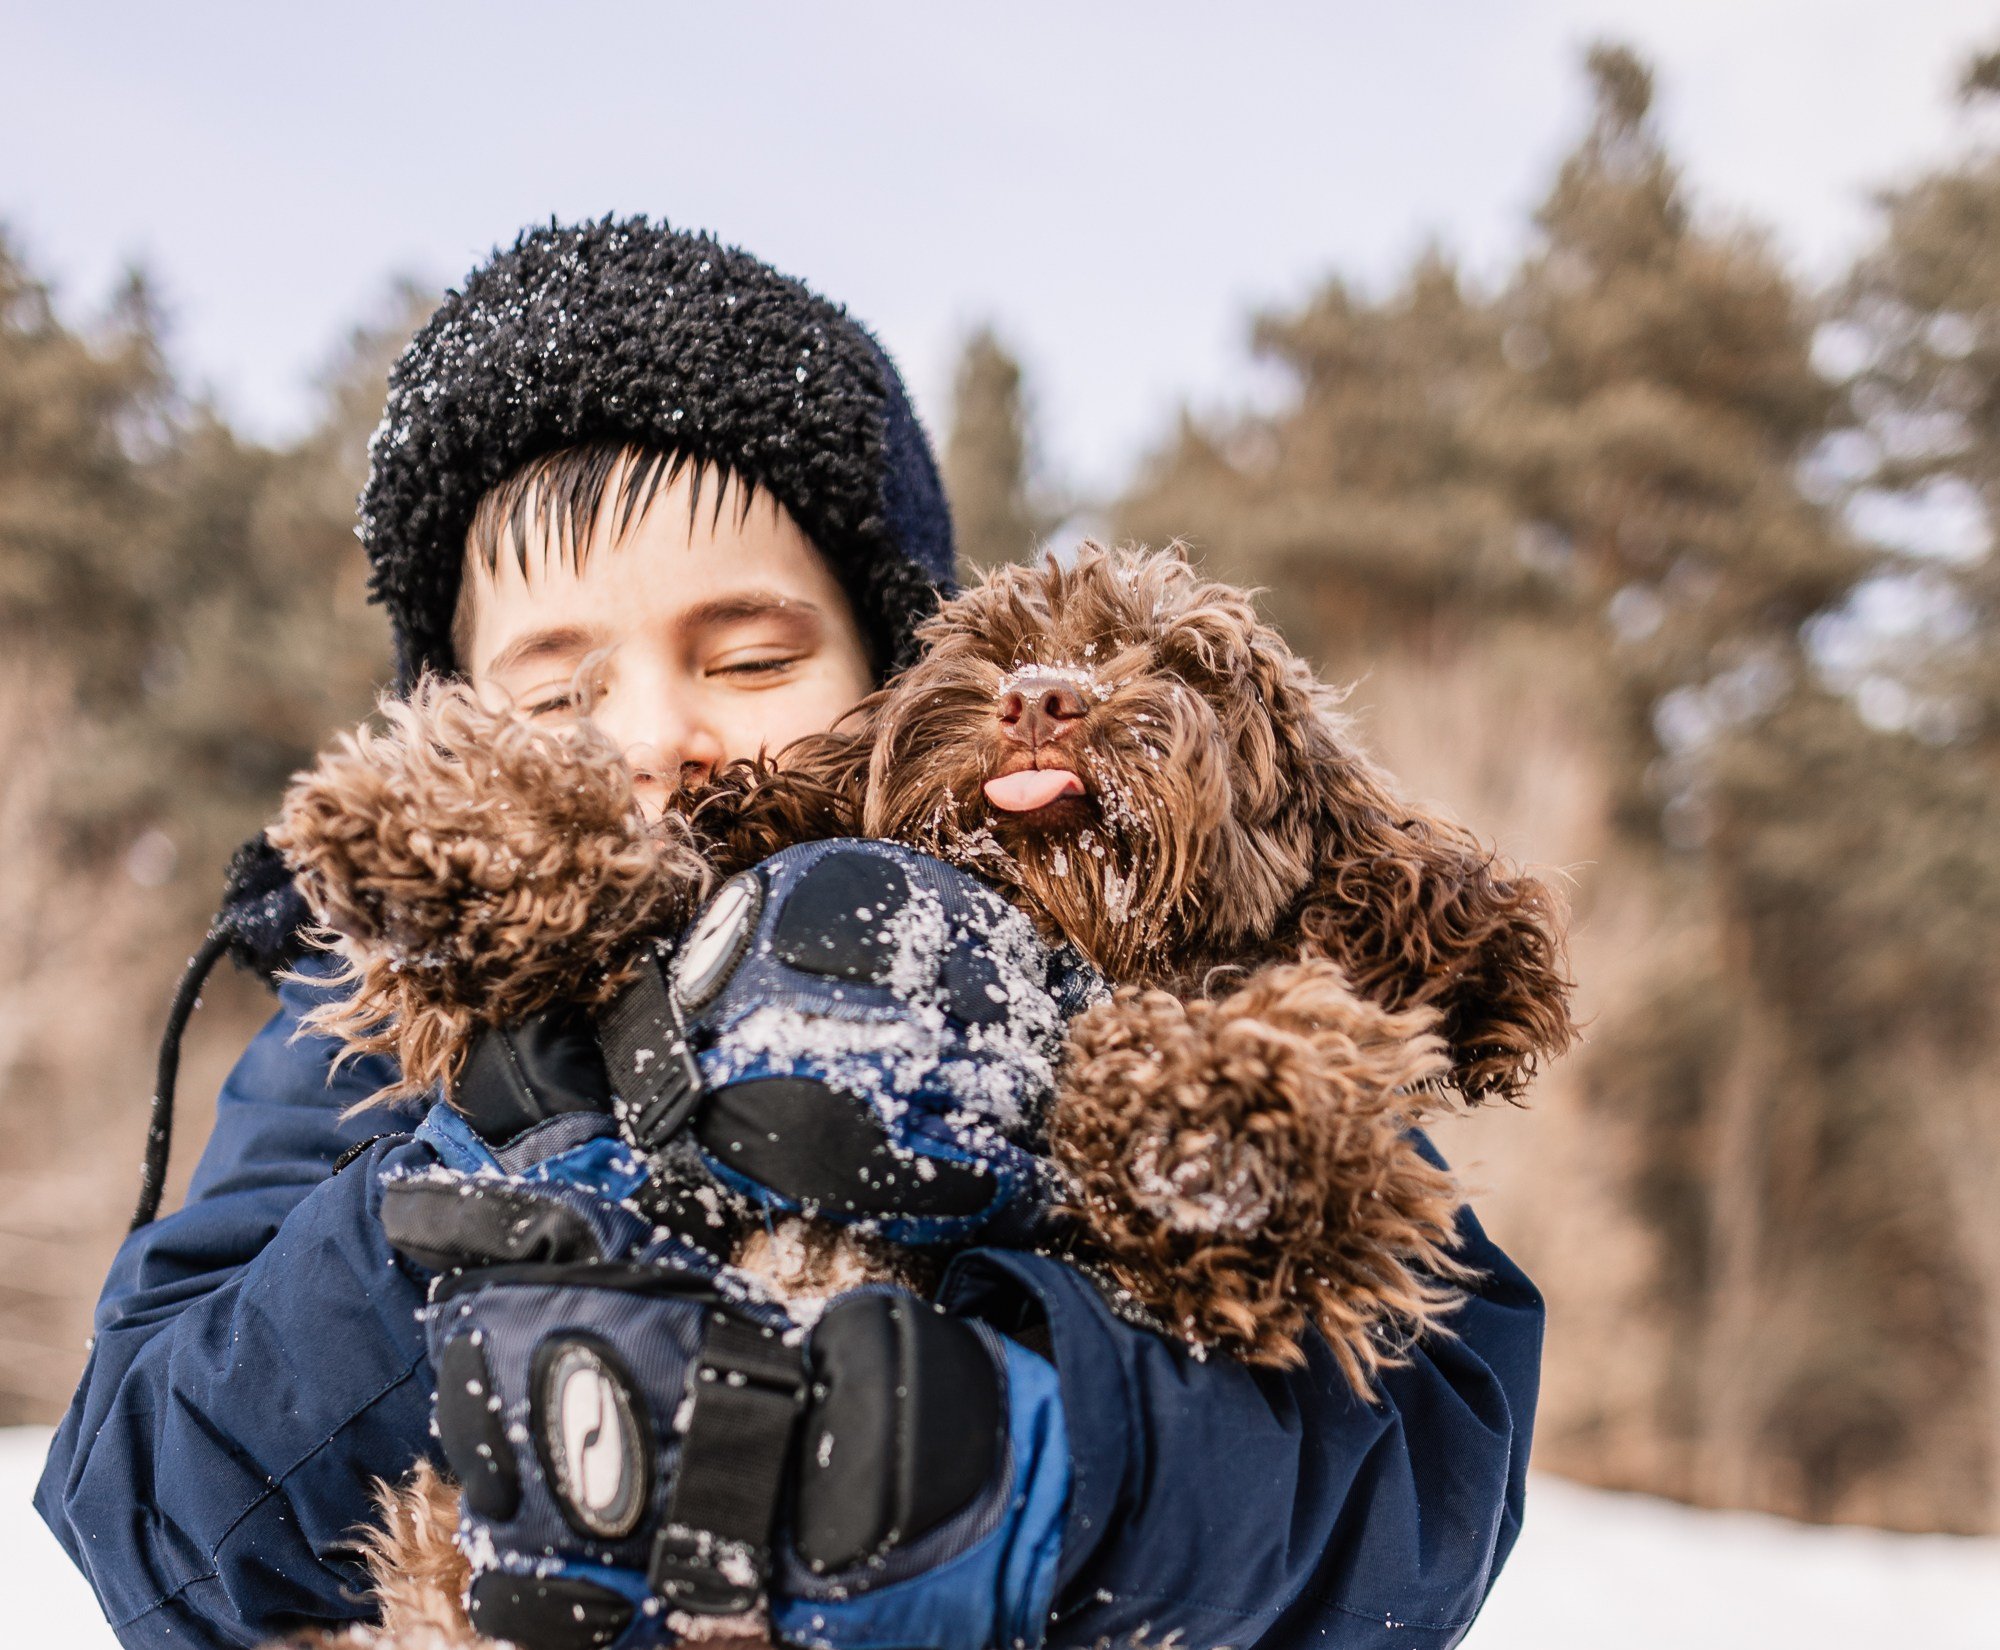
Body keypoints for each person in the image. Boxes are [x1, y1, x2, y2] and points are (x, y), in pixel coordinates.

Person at [37, 220, 1543, 1650]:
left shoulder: (1142, 970)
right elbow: (148, 1512)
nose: (653, 737)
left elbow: (1420, 1481)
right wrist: (518, 1136)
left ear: (897, 674)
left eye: (750, 656)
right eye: (557, 693)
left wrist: (1022, 1452)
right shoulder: (354, 1022)